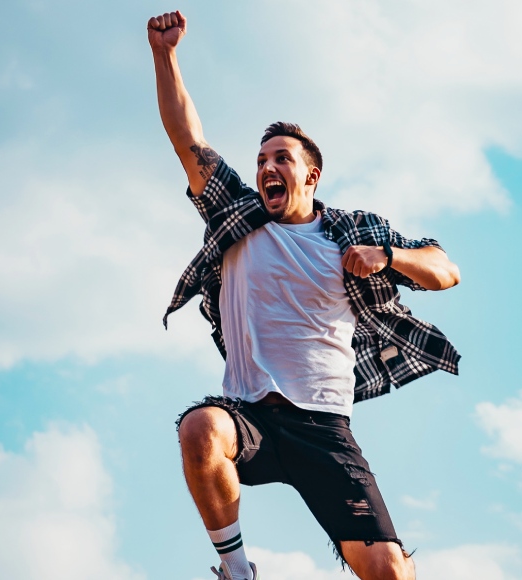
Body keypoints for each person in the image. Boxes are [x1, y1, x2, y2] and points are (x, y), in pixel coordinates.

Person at [148, 10, 461, 580]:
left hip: (325, 430)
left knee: (387, 569)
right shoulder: (237, 215)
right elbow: (187, 139)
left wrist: (387, 258)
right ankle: (236, 569)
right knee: (199, 428)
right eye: (262, 160)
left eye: (281, 159)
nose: (267, 167)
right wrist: (165, 56)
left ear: (311, 176)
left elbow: (444, 269)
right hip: (250, 419)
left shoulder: (351, 232)